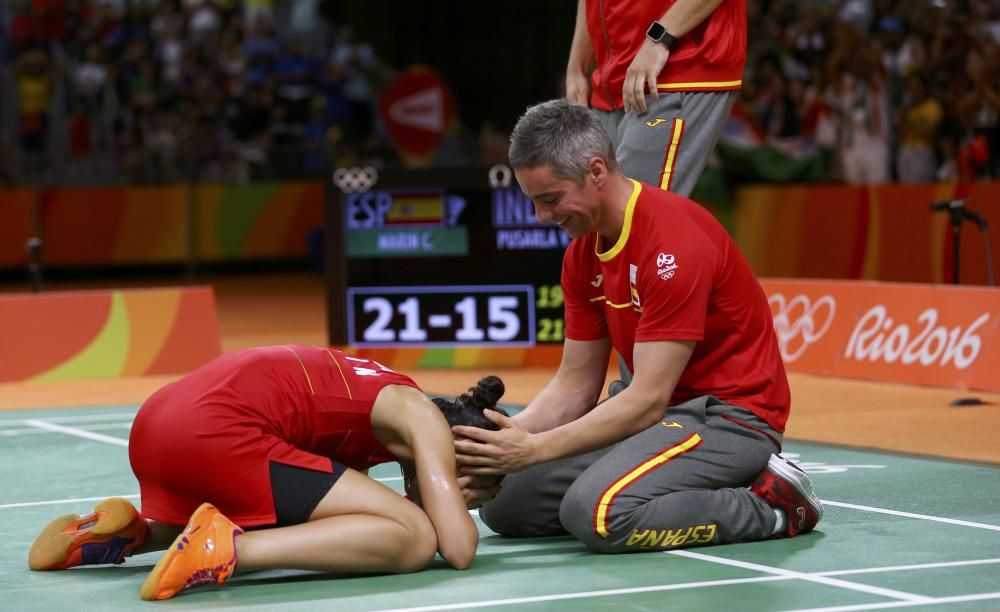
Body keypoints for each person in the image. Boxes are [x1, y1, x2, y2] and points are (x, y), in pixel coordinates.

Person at [454, 99, 822, 554]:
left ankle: (773, 507)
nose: (542, 217)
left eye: (550, 200)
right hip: (661, 417)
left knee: (599, 514)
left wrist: (535, 450)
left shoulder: (672, 245)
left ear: (595, 171)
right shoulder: (582, 254)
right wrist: (503, 443)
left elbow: (647, 399)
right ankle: (665, 480)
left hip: (728, 419)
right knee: (505, 504)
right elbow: (574, 385)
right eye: (534, 202)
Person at [28, 345, 506, 600]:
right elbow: (458, 549)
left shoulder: (380, 408)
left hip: (159, 424)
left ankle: (134, 535)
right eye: (472, 483)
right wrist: (452, 503)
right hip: (211, 432)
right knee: (415, 539)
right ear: (457, 449)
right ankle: (228, 549)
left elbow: (318, 517)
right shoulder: (420, 414)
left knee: (312, 517)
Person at [565, 0, 745, 199]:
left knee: (628, 211)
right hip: (611, 82)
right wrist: (577, 64)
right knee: (596, 211)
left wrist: (660, 37)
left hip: (676, 64)